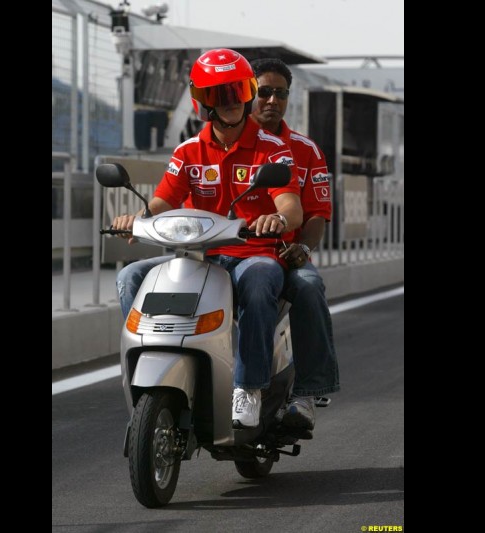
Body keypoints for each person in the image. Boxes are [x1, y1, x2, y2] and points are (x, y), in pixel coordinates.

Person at [110, 48, 302, 429]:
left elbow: (292, 207)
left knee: (262, 278)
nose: (231, 102)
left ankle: (249, 385)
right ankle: (156, 357)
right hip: (201, 258)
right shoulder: (188, 151)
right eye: (219, 94)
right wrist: (138, 219)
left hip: (253, 254)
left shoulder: (273, 149)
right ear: (203, 102)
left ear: (248, 92)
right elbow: (162, 201)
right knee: (130, 277)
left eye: (237, 91)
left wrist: (276, 218)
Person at [249, 58, 340, 431]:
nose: (272, 100)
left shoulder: (306, 150)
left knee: (309, 283)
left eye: (280, 94)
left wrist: (303, 249)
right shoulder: (219, 142)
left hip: (285, 257)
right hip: (232, 255)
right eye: (264, 92)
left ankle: (309, 390)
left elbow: (317, 213)